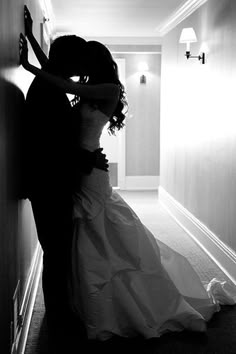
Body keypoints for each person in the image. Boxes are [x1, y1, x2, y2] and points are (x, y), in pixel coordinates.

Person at [20, 34, 236, 342]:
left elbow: (63, 83)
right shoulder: (87, 89)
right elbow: (58, 76)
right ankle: (89, 301)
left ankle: (139, 300)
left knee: (104, 230)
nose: (81, 67)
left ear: (95, 63)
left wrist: (28, 63)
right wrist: (31, 40)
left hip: (91, 172)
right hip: (79, 169)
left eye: (86, 62)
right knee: (88, 237)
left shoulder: (109, 89)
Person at [20, 6, 108, 352]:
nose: (82, 69)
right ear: (68, 62)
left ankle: (61, 311)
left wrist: (30, 37)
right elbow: (53, 144)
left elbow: (51, 70)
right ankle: (58, 318)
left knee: (58, 250)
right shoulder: (47, 92)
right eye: (77, 62)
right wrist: (87, 157)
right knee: (57, 253)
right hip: (49, 184)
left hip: (51, 182)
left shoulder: (49, 84)